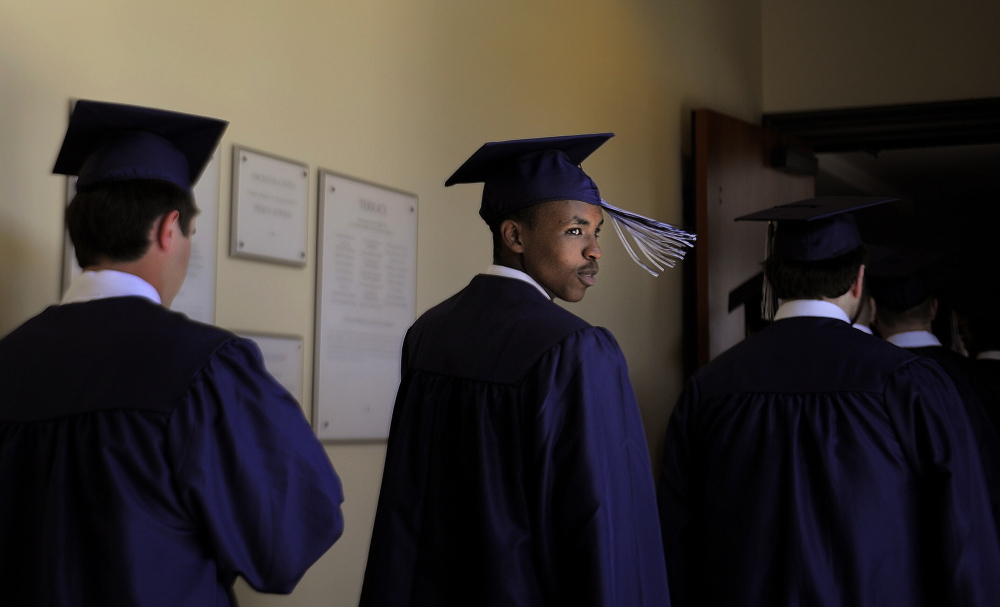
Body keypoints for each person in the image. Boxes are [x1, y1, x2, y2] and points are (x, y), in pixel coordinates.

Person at [0, 100, 345, 606]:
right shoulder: (204, 367)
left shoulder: (9, 361)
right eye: (190, 234)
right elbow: (285, 544)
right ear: (169, 229)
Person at [359, 134, 693, 607]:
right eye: (576, 231)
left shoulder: (428, 333)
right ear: (514, 235)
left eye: (597, 232)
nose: (595, 251)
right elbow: (605, 528)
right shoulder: (574, 349)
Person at [659, 196, 1000, 607]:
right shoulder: (906, 380)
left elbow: (676, 535)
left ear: (772, 279)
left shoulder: (710, 385)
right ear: (859, 281)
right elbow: (961, 529)